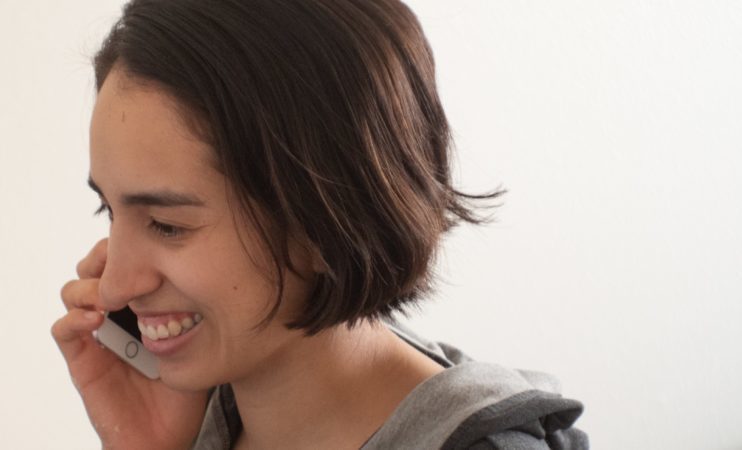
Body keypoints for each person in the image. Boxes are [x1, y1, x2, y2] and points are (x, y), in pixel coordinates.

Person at [51, 0, 588, 448]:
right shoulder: (207, 412)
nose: (115, 284)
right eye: (110, 210)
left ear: (324, 219)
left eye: (167, 225)